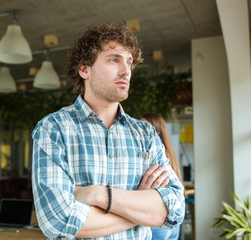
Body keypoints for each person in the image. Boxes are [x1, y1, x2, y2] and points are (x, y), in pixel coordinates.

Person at [32, 22, 185, 239]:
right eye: (114, 60)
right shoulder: (54, 129)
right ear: (84, 69)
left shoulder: (146, 134)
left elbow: (175, 208)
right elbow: (58, 221)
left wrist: (100, 194)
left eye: (130, 62)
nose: (126, 71)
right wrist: (139, 208)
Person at [140, 113, 183, 240]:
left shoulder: (157, 157)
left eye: (145, 126)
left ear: (157, 132)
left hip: (158, 218)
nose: (141, 130)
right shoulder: (169, 153)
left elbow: (151, 188)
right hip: (170, 218)